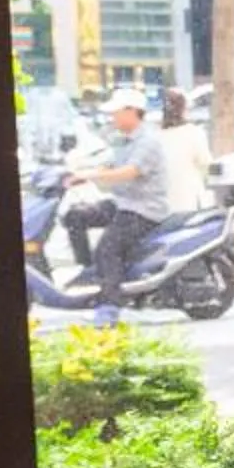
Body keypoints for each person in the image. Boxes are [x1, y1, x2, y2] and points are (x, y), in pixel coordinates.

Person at [69, 88, 168, 325]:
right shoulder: (123, 141)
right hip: (121, 204)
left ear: (132, 112)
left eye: (115, 113)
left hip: (144, 210)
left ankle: (109, 306)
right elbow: (108, 165)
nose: (112, 118)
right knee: (75, 217)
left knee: (107, 247)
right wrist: (78, 173)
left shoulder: (148, 141)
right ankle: (91, 274)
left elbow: (129, 172)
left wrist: (91, 175)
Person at [157, 87, 211, 215]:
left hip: (163, 203)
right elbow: (206, 163)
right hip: (189, 198)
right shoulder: (194, 133)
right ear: (184, 109)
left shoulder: (156, 136)